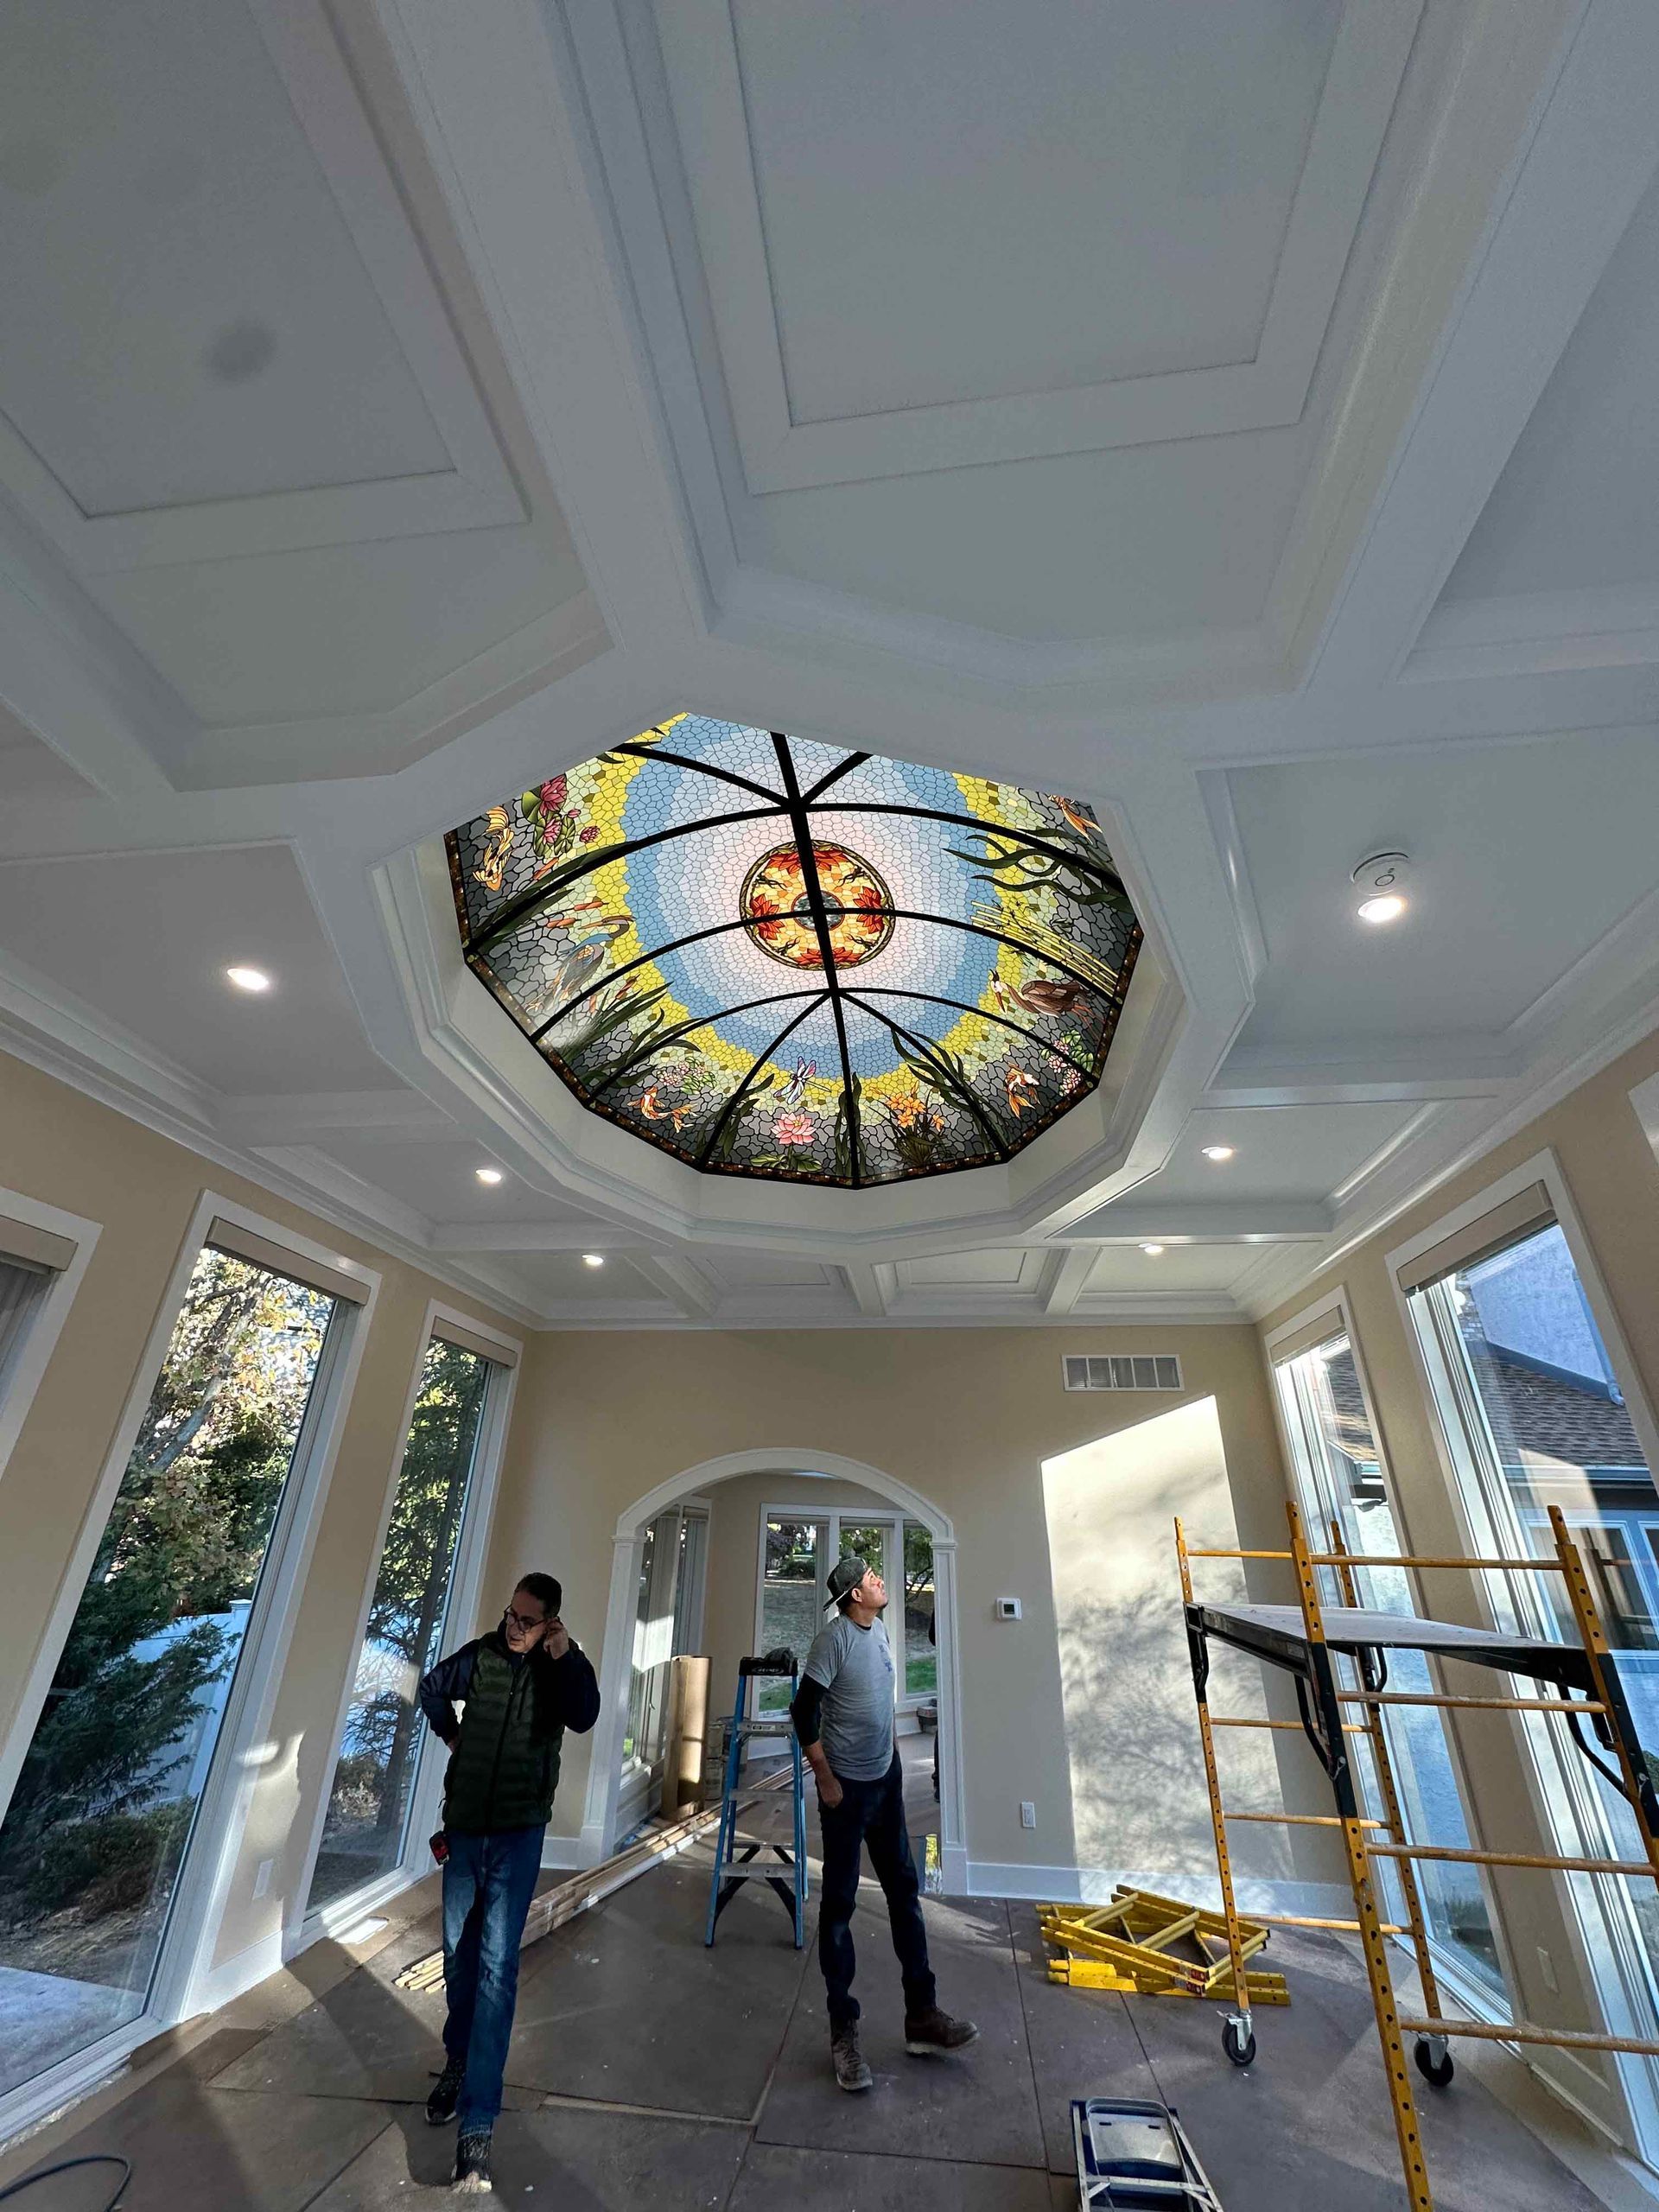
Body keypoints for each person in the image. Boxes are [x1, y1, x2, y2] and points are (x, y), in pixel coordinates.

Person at [418, 1573, 600, 2192]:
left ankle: (478, 2125)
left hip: (520, 1835)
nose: (512, 1627)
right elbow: (431, 1688)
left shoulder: (559, 1670)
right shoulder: (482, 1656)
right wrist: (453, 1736)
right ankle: (458, 2059)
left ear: (549, 1623)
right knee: (457, 1959)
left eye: (526, 1620)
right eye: (510, 1615)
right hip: (466, 1828)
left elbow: (585, 1716)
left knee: (497, 1967)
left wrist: (565, 1655)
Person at [791, 1554, 977, 2092]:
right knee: (840, 1906)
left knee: (905, 1893)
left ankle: (923, 2016)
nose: (879, 1580)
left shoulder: (880, 1633)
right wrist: (824, 1777)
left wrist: (892, 1751)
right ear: (854, 1596)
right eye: (870, 1577)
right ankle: (843, 2033)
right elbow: (802, 1712)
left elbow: (879, 1701)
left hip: (886, 1782)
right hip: (845, 1791)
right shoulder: (835, 1641)